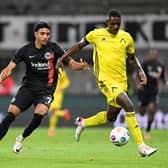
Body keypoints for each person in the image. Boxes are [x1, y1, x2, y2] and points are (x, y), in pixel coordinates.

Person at [56, 9, 157, 157]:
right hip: (105, 80)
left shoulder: (126, 37)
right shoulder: (96, 34)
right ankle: (142, 146)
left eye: (118, 24)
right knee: (129, 106)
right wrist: (61, 58)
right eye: (113, 23)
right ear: (107, 22)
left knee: (111, 117)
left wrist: (140, 70)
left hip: (121, 81)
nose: (116, 26)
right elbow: (78, 46)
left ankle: (83, 123)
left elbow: (131, 57)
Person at [0, 21, 89, 153]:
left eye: (47, 34)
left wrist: (80, 66)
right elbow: (8, 69)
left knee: (40, 114)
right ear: (36, 34)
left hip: (45, 91)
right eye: (42, 34)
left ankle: (21, 137)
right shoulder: (25, 50)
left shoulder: (55, 49)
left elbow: (72, 64)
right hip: (27, 88)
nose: (45, 36)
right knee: (11, 114)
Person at [135, 48, 167, 139]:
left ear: (156, 55)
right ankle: (139, 124)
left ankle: (147, 131)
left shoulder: (160, 66)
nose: (153, 56)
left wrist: (166, 83)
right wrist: (138, 84)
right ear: (150, 55)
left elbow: (163, 78)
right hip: (143, 91)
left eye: (154, 54)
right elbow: (136, 74)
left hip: (153, 92)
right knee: (141, 112)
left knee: (151, 109)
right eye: (151, 54)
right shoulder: (145, 64)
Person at [48, 69, 71, 136]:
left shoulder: (60, 70)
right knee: (53, 112)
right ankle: (52, 130)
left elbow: (67, 82)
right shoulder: (49, 69)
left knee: (52, 111)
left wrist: (60, 88)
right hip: (51, 93)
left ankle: (63, 113)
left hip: (57, 95)